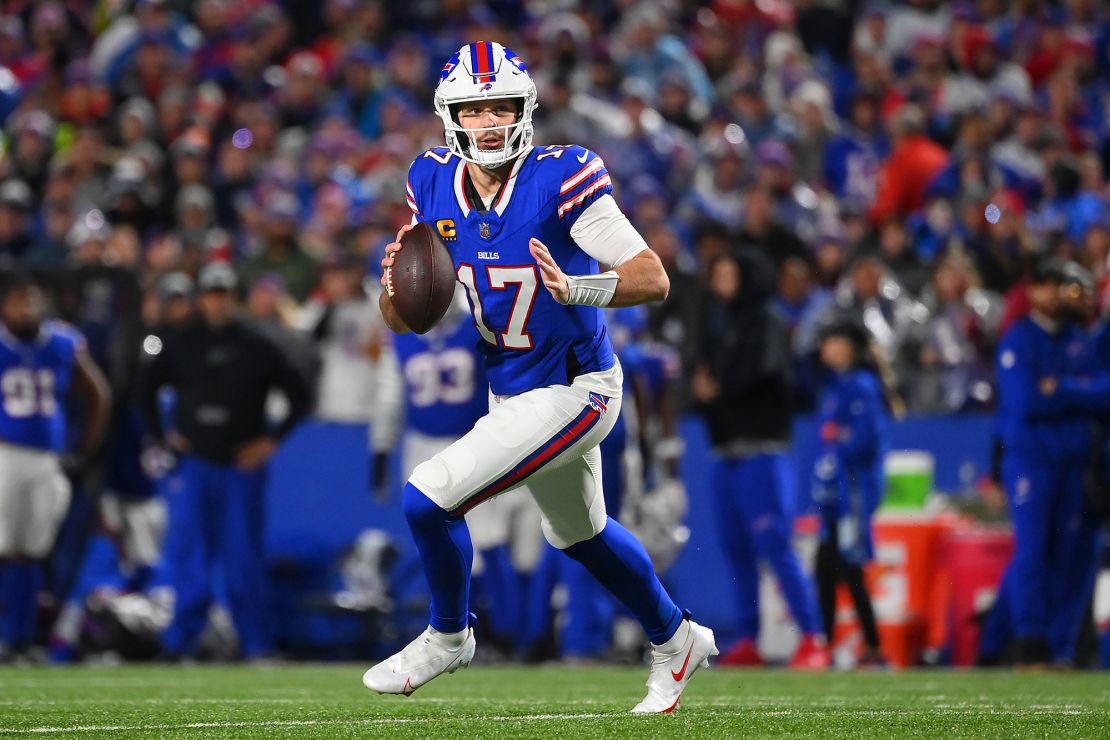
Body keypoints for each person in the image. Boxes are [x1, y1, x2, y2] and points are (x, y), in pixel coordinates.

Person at [365, 42, 716, 714]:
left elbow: (652, 276)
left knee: (427, 498)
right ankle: (677, 639)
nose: (491, 120)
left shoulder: (562, 176)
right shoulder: (432, 181)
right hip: (513, 388)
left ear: (525, 109)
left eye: (501, 105)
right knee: (579, 535)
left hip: (578, 388)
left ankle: (448, 635)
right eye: (476, 108)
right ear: (453, 118)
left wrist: (577, 288)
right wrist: (394, 290)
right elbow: (404, 318)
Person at [138, 262, 311, 660]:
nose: (219, 303)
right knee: (189, 558)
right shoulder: (181, 343)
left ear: (235, 298)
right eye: (212, 295)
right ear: (202, 299)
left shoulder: (259, 345)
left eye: (225, 294)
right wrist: (163, 436)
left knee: (243, 559)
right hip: (195, 464)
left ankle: (256, 644)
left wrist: (272, 440)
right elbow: (143, 388)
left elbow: (300, 395)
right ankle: (180, 643)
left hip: (240, 466)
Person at [375, 289, 543, 657]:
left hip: (472, 437)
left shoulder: (475, 323)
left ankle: (502, 632)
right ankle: (469, 630)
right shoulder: (403, 334)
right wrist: (381, 448)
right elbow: (389, 395)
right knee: (449, 539)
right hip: (425, 444)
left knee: (486, 541)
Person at [691, 251, 829, 670]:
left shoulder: (766, 321)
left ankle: (813, 637)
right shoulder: (722, 323)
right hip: (727, 451)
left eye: (731, 271)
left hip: (761, 450)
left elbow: (766, 377)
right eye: (719, 272)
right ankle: (750, 636)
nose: (723, 280)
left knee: (774, 544)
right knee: (737, 550)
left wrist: (717, 391)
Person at [993, 258, 1110, 666]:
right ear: (1032, 292)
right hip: (1032, 459)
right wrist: (1076, 392)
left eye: (1057, 285)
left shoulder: (1078, 338)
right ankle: (1029, 642)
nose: (1051, 293)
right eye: (1043, 285)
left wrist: (1058, 390)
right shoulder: (1018, 339)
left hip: (1073, 460)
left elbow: (1105, 393)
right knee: (1033, 551)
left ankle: (1058, 647)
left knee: (1067, 554)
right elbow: (1026, 401)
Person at [0, 271, 111, 659]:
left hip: (47, 458)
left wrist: (84, 449)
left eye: (31, 299)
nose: (26, 307)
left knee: (32, 550)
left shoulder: (61, 343)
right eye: (18, 299)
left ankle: (20, 638)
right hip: (5, 454)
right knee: (6, 545)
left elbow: (98, 392)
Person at [811, 314, 896, 669]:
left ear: (848, 346)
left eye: (832, 340)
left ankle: (871, 648)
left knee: (849, 565)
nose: (824, 348)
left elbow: (863, 440)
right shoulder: (838, 386)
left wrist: (839, 439)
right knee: (827, 566)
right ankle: (829, 646)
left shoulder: (861, 385)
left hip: (854, 493)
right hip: (837, 493)